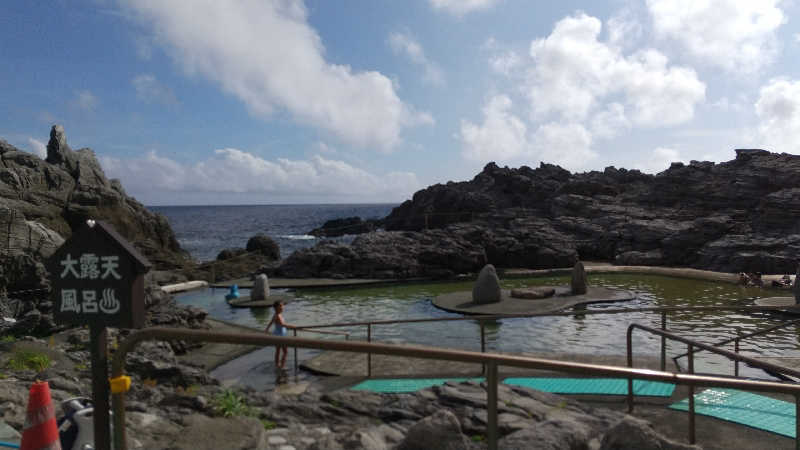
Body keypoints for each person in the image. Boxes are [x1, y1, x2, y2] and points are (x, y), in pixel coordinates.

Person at [265, 300, 292, 370]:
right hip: (280, 336)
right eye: (281, 306)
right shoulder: (277, 315)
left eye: (282, 306)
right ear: (277, 308)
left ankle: (277, 365)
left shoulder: (276, 314)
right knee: (285, 352)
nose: (283, 307)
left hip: (278, 334)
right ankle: (281, 366)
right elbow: (283, 325)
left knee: (278, 351)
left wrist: (266, 329)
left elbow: (271, 322)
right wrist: (293, 326)